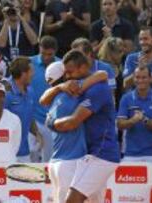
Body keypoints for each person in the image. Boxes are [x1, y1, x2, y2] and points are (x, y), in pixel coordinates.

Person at [50, 50, 120, 203]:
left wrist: (51, 123)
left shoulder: (98, 89)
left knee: (72, 200)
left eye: (70, 71)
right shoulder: (85, 86)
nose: (67, 76)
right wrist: (58, 87)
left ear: (82, 67)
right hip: (90, 155)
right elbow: (44, 99)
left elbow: (73, 122)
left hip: (102, 154)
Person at [41, 61, 108, 203]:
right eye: (69, 72)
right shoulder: (74, 94)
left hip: (57, 163)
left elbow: (42, 100)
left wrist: (59, 87)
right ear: (65, 75)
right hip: (72, 163)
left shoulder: (54, 98)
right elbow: (102, 75)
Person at [117, 66, 152, 168]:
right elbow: (120, 124)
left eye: (144, 77)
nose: (140, 80)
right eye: (137, 77)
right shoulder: (126, 98)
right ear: (133, 79)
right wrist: (133, 120)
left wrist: (144, 119)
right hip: (131, 154)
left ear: (150, 78)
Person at [5, 56, 43, 163]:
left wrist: (36, 133)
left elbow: (29, 116)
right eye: (31, 71)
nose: (33, 74)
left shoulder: (30, 91)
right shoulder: (4, 93)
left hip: (24, 152)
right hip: (6, 153)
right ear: (23, 73)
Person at [30, 35, 60, 162]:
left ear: (55, 51)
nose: (46, 57)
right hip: (32, 119)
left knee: (49, 160)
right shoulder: (28, 63)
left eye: (50, 54)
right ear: (39, 49)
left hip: (53, 120)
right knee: (31, 158)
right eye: (43, 53)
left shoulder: (61, 65)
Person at [123, 26, 152, 94]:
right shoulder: (131, 58)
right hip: (134, 101)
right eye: (140, 39)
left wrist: (147, 72)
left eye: (145, 39)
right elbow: (125, 84)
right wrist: (138, 70)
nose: (142, 42)